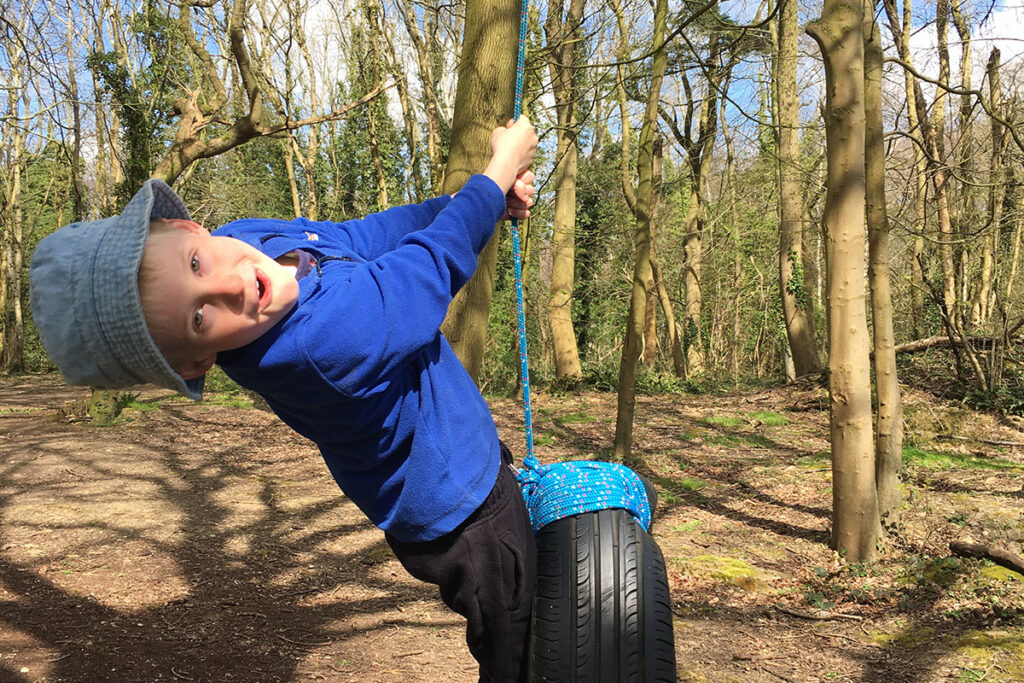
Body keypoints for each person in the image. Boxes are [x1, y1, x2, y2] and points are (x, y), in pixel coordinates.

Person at [29, 116, 539, 682]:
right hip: (461, 514)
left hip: (465, 452)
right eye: (199, 318)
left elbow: (360, 237)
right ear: (198, 362)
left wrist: (478, 204)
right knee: (519, 636)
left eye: (196, 263)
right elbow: (424, 270)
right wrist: (495, 175)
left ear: (187, 226)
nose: (229, 285)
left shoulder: (250, 239)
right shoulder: (316, 348)